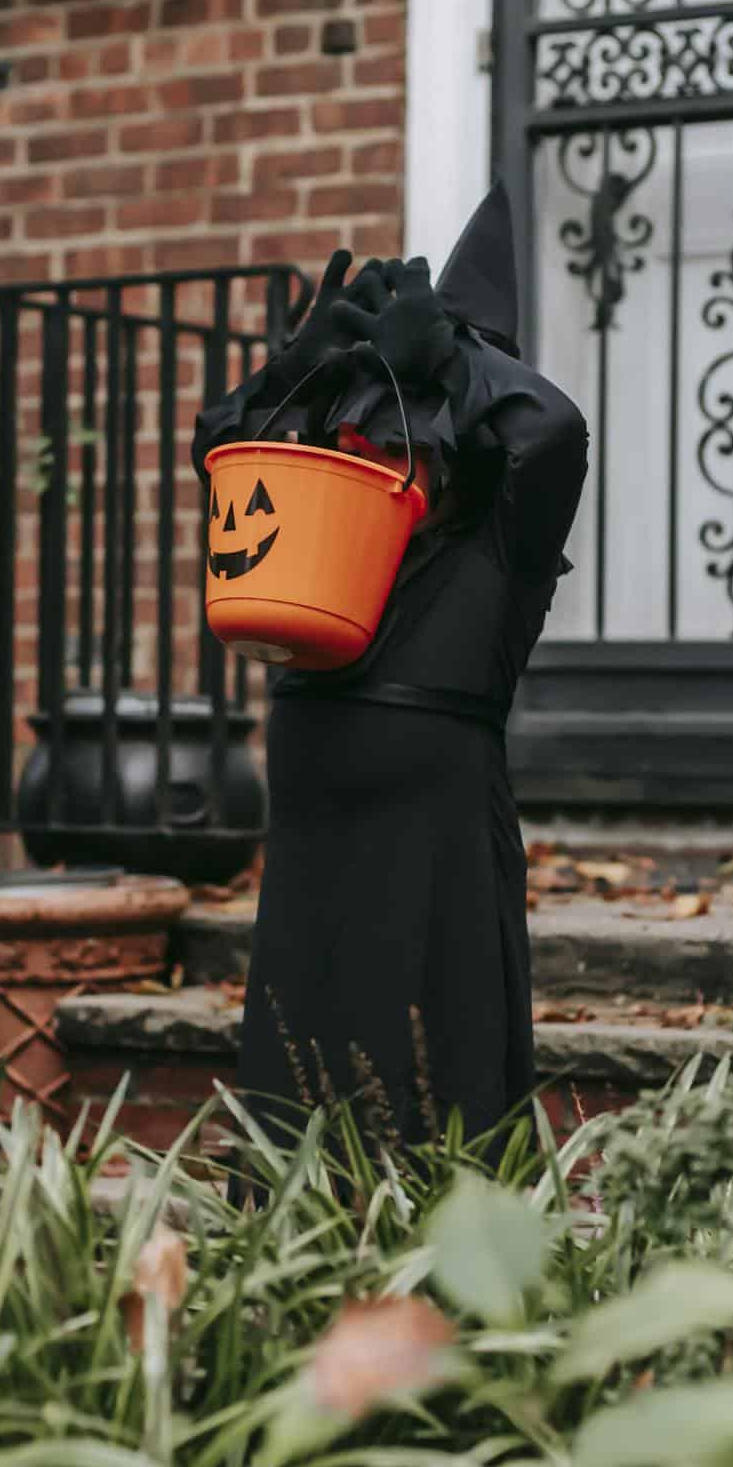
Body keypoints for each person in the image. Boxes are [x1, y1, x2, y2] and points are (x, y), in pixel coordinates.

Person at [189, 185, 590, 1151]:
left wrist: (454, 358)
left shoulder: (507, 533)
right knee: (304, 1052)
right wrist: (306, 363)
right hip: (319, 828)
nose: (381, 444)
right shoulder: (333, 513)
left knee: (434, 1053)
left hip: (434, 836)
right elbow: (221, 451)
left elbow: (554, 427)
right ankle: (302, 1243)